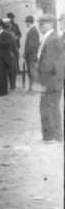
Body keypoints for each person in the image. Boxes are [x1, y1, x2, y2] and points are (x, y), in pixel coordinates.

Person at [34, 14, 64, 142]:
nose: (40, 26)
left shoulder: (51, 39)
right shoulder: (50, 38)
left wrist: (41, 83)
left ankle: (51, 136)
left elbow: (49, 64)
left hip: (50, 81)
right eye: (39, 24)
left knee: (48, 108)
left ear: (51, 24)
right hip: (51, 81)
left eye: (43, 24)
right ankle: (54, 136)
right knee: (51, 108)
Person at [22, 15, 40, 90]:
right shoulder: (32, 30)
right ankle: (31, 87)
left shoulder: (33, 31)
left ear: (29, 22)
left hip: (31, 56)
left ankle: (34, 88)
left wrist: (25, 53)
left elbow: (31, 45)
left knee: (33, 72)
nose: (26, 24)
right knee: (31, 72)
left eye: (26, 22)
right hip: (30, 55)